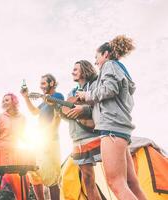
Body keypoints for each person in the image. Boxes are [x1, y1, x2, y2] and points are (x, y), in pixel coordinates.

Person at [77, 35, 147, 200]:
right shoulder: (118, 68)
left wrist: (86, 95)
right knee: (130, 183)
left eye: (97, 57)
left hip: (112, 129)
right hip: (120, 129)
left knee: (116, 183)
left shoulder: (109, 66)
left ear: (106, 54)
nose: (96, 62)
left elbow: (109, 89)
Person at [60, 60, 102, 200]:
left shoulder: (96, 85)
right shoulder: (71, 93)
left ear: (84, 70)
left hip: (97, 136)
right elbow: (71, 117)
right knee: (88, 180)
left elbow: (102, 108)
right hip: (78, 139)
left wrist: (83, 110)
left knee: (111, 175)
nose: (72, 72)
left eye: (76, 69)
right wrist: (61, 112)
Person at [21, 74, 64, 200]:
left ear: (52, 83)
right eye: (40, 84)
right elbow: (34, 112)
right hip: (40, 140)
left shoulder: (57, 96)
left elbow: (58, 112)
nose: (41, 86)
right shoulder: (44, 101)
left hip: (50, 140)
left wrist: (48, 99)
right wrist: (26, 98)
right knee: (35, 172)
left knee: (52, 176)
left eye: (44, 83)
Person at [0, 93, 30, 200]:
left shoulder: (22, 118)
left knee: (21, 186)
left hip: (14, 155)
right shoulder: (0, 117)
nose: (4, 102)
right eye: (3, 101)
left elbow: (23, 136)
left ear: (14, 101)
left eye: (7, 100)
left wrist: (31, 147)